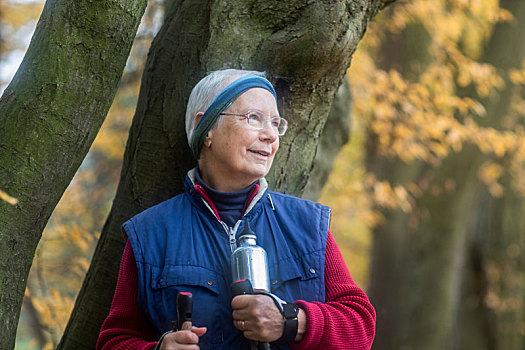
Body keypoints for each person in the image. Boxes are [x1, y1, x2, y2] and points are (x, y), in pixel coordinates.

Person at [97, 69, 376, 350]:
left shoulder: (307, 225)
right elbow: (113, 341)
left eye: (276, 123)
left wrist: (291, 321)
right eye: (253, 118)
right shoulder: (150, 234)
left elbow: (361, 327)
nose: (270, 135)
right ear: (205, 129)